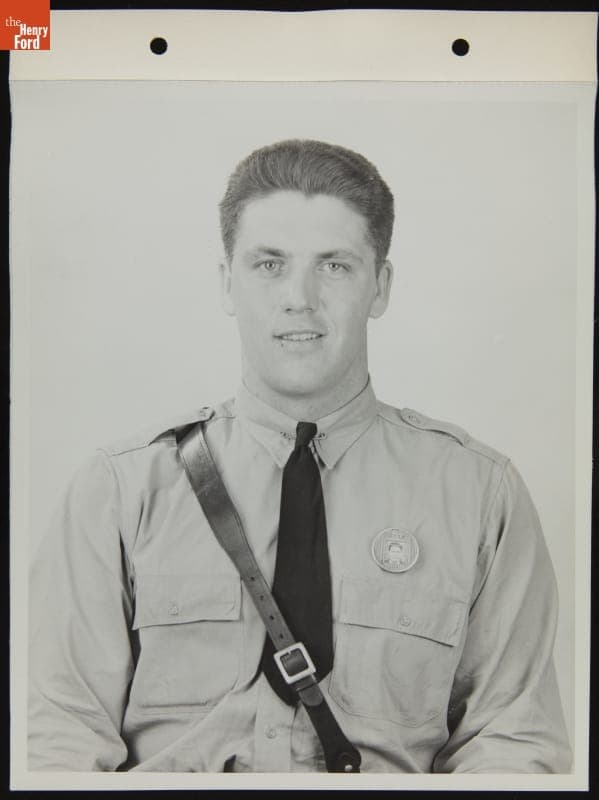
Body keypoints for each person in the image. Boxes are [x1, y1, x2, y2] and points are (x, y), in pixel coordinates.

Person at [28, 139, 571, 773]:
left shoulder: (480, 495)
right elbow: (56, 742)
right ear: (226, 282)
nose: (300, 298)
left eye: (335, 266)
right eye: (269, 264)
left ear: (381, 287)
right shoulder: (120, 490)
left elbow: (512, 745)